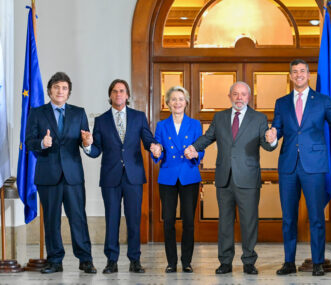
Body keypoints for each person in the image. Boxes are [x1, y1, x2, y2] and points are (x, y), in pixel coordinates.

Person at [185, 81, 277, 275]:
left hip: (248, 179)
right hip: (224, 178)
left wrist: (272, 139)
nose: (239, 98)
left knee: (249, 222)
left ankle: (249, 261)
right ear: (230, 96)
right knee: (225, 222)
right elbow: (208, 137)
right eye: (235, 94)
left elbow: (267, 145)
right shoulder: (220, 117)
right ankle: (225, 261)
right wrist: (194, 147)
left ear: (249, 97)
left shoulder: (259, 118)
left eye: (243, 94)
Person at [270, 59, 331, 276]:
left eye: (302, 71)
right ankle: (288, 262)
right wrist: (272, 136)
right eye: (294, 72)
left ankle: (318, 262)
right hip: (288, 166)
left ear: (308, 74)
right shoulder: (282, 102)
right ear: (290, 76)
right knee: (288, 217)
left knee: (316, 216)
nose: (298, 75)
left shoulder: (322, 100)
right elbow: (277, 130)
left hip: (314, 165)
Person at [82, 79, 161, 274]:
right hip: (110, 177)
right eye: (115, 91)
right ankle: (112, 260)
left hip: (133, 176)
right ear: (110, 95)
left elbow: (148, 140)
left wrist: (155, 147)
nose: (118, 94)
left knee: (134, 219)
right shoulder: (101, 120)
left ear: (127, 95)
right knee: (112, 219)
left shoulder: (138, 117)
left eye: (122, 91)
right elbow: (96, 151)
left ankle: (135, 260)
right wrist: (87, 145)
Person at [25, 72, 96, 274]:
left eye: (64, 88)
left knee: (78, 218)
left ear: (69, 92)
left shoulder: (79, 113)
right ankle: (55, 260)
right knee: (51, 219)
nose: (60, 91)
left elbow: (85, 141)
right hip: (48, 176)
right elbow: (29, 142)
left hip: (73, 176)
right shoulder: (37, 113)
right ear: (49, 90)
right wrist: (41, 143)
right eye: (56, 87)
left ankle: (85, 259)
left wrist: (87, 143)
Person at [151, 86, 205, 273]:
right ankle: (171, 262)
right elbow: (158, 148)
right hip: (168, 177)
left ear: (186, 102)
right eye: (173, 99)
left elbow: (201, 147)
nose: (177, 102)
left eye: (181, 99)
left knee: (189, 221)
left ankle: (187, 262)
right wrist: (156, 151)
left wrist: (196, 153)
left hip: (189, 175)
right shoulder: (161, 125)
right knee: (168, 221)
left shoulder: (195, 124)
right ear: (168, 103)